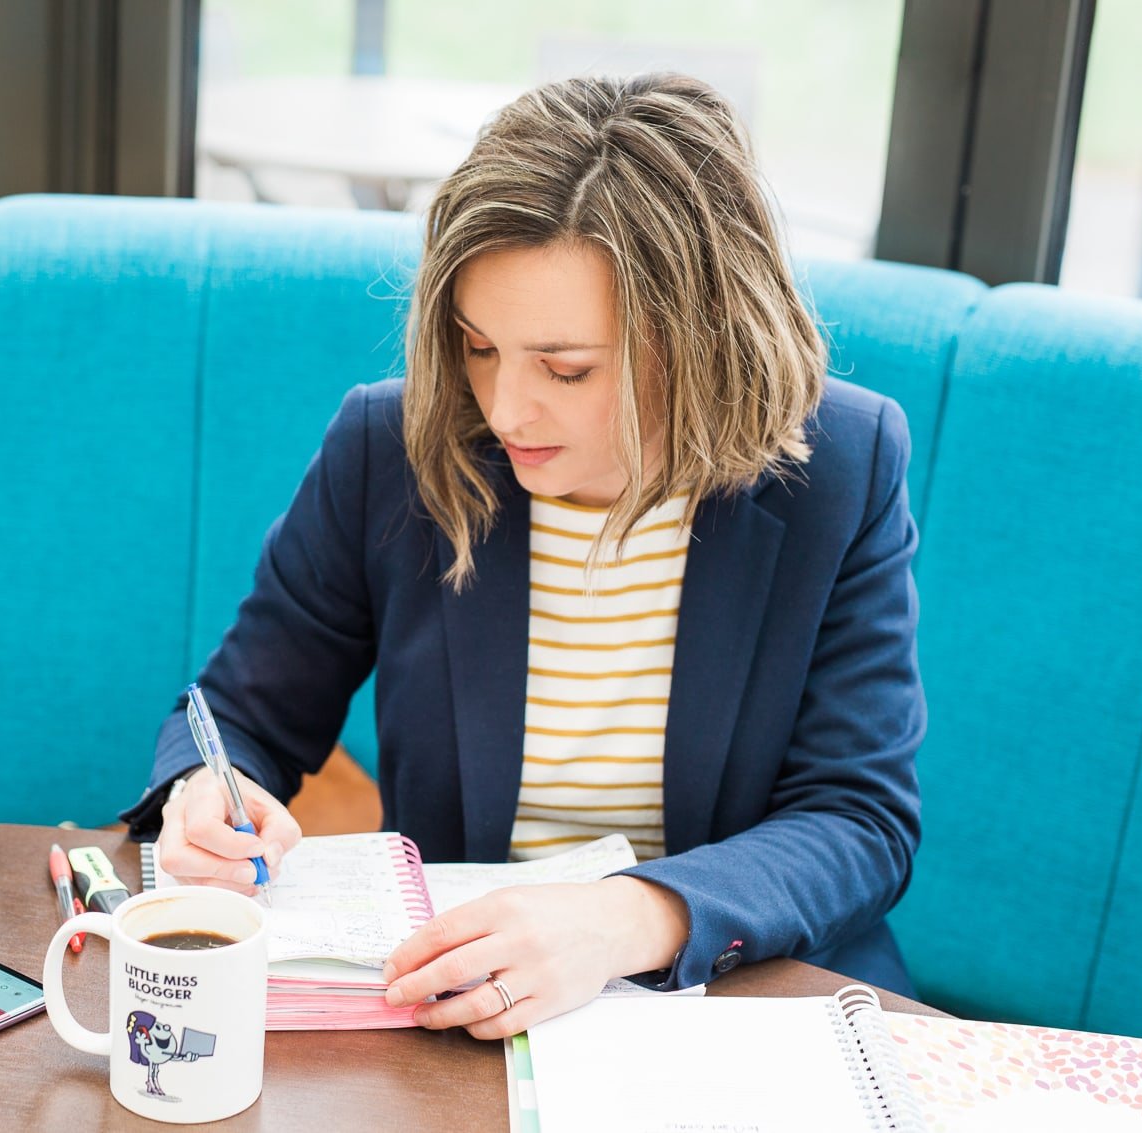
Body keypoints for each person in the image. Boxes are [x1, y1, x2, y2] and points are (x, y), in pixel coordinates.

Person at [122, 73, 923, 1040]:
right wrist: (214, 792)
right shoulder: (394, 449)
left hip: (750, 1009)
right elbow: (240, 713)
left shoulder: (842, 466)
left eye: (567, 367)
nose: (504, 411)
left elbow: (858, 820)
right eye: (476, 347)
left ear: (702, 339)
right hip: (464, 1020)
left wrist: (628, 916)